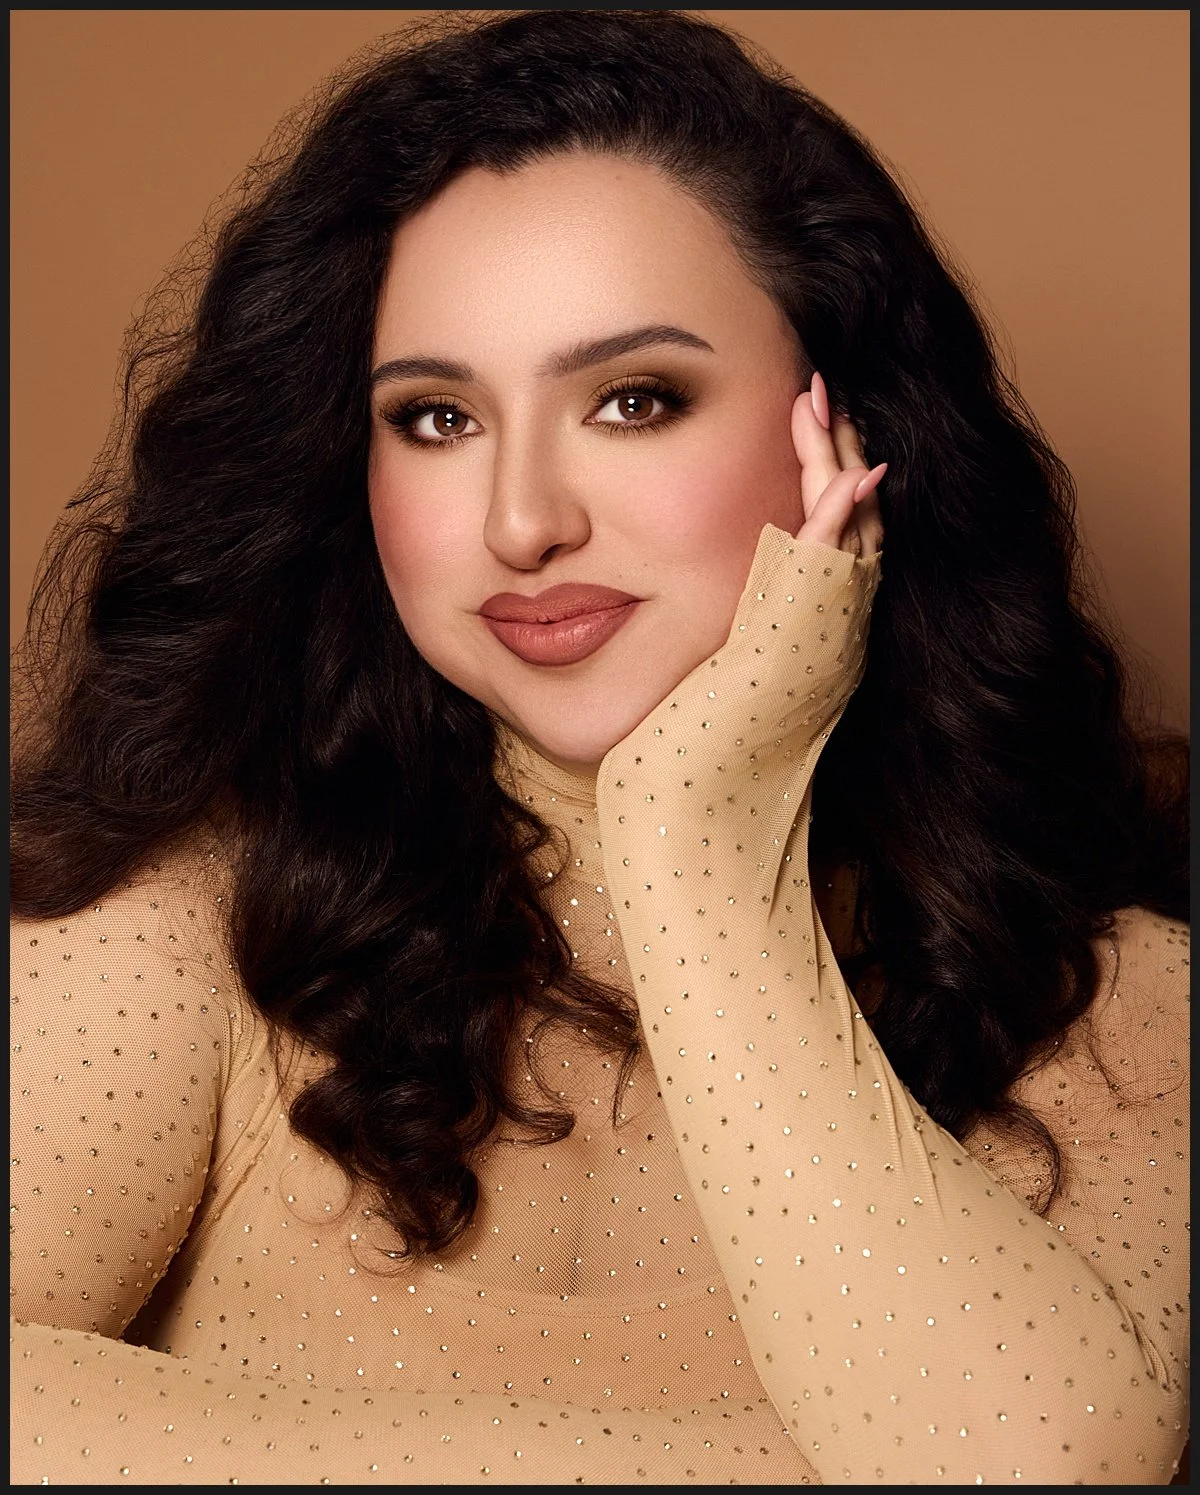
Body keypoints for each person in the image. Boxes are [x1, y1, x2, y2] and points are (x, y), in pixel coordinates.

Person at [10, 9, 1188, 1485]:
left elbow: (1032, 1464)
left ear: (854, 435)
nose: (521, 521)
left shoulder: (1123, 1010)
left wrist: (698, 842)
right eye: (434, 417)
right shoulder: (191, 924)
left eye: (636, 400)